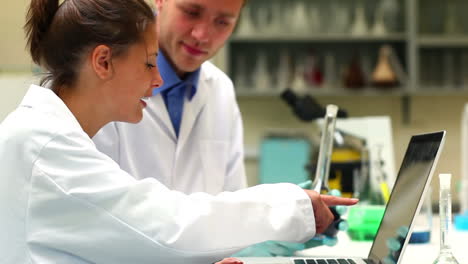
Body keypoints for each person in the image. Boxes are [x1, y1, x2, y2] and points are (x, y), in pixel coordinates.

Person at [0, 0, 358, 264]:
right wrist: (290, 208)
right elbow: (160, 228)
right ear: (103, 62)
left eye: (223, 21)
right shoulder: (46, 146)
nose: (156, 80)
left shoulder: (48, 133)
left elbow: (114, 242)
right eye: (147, 64)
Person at [92, 0, 344, 257]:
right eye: (191, 12)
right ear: (160, 2)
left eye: (222, 22)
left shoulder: (220, 89)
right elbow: (99, 219)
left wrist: (276, 232)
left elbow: (233, 207)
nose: (202, 35)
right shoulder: (107, 82)